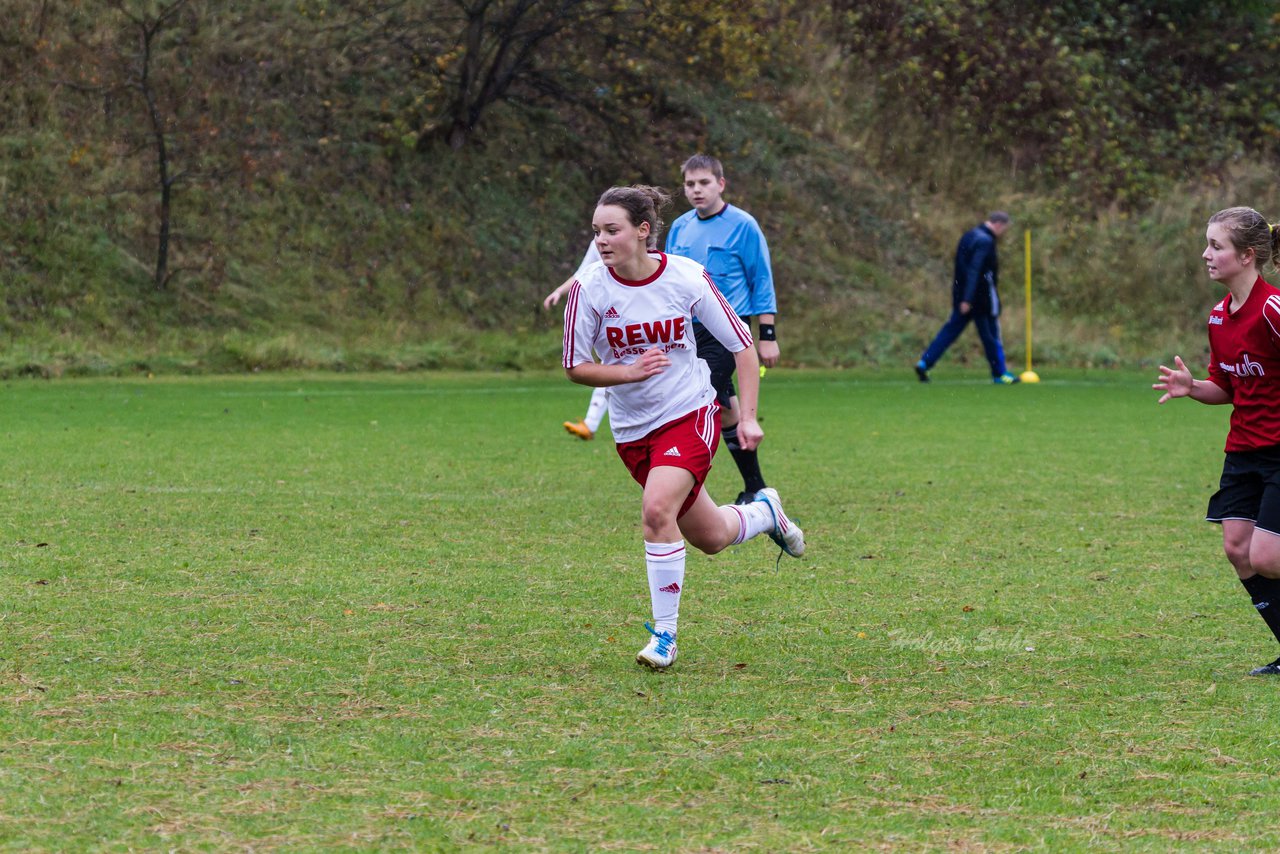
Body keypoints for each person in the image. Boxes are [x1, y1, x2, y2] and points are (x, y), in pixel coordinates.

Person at [562, 184, 806, 670]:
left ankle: (664, 637)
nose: (602, 241)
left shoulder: (686, 278)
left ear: (644, 231)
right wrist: (627, 372)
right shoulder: (589, 289)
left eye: (613, 230)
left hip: (690, 414)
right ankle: (765, 514)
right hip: (634, 432)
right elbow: (574, 366)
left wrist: (750, 418)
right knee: (711, 537)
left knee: (656, 511)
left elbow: (741, 347)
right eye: (596, 232)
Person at [1155, 206, 1280, 676]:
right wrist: (1191, 389)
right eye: (1207, 244)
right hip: (1244, 449)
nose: (1206, 254)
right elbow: (1226, 388)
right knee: (1237, 548)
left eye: (1216, 246)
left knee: (1268, 557)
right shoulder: (1217, 317)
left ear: (1246, 256)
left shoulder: (1272, 310)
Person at [665, 154, 779, 505]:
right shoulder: (680, 227)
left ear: (720, 184)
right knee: (724, 406)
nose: (697, 190)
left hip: (730, 331)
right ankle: (756, 487)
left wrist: (767, 335)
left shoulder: (743, 225)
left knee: (697, 396)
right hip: (689, 331)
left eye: (704, 183)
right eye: (690, 184)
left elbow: (761, 278)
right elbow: (669, 280)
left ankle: (680, 483)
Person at [915, 212, 1020, 384]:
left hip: (961, 293)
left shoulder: (969, 235)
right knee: (991, 336)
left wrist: (962, 296)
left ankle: (925, 362)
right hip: (979, 299)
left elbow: (961, 268)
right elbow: (975, 270)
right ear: (999, 225)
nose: (1003, 233)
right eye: (1005, 229)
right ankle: (1000, 373)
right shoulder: (986, 241)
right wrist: (968, 299)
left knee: (949, 332)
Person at [545, 243, 610, 440]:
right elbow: (582, 273)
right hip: (608, 311)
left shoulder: (636, 236)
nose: (603, 237)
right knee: (612, 363)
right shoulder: (599, 241)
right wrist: (559, 291)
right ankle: (590, 424)